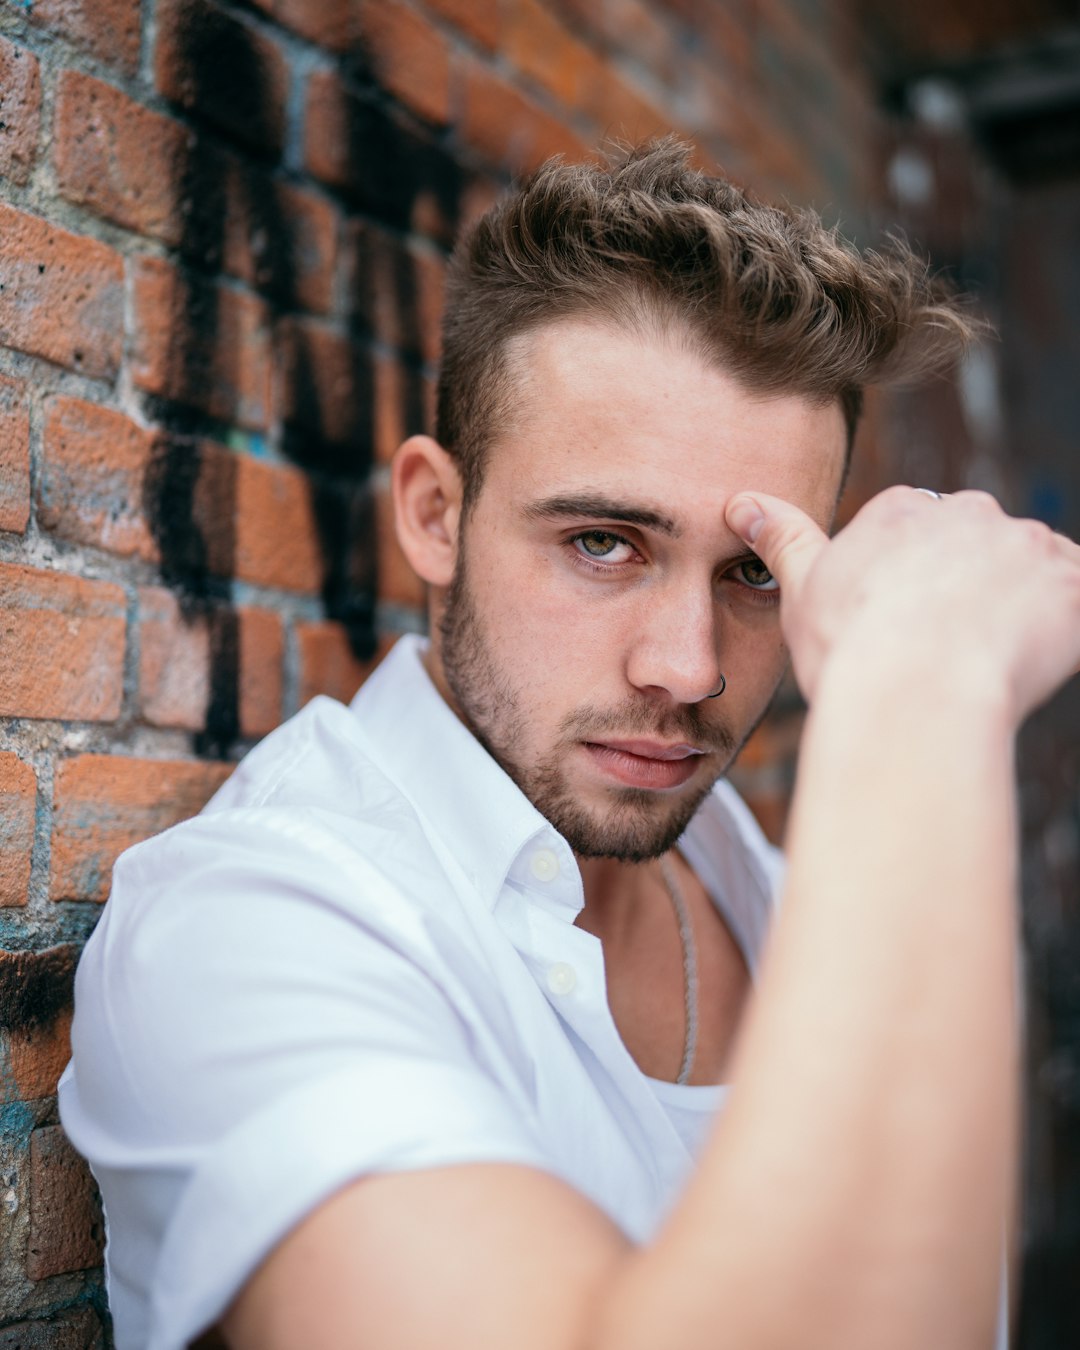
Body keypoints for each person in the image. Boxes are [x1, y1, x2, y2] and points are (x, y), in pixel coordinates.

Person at [60, 142, 1080, 1350]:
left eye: (756, 570)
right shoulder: (244, 925)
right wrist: (921, 693)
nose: (688, 668)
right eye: (603, 543)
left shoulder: (795, 903)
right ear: (437, 515)